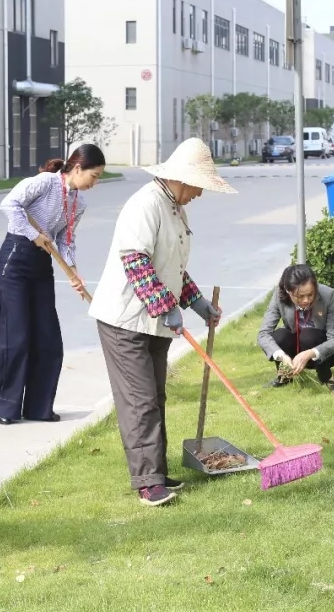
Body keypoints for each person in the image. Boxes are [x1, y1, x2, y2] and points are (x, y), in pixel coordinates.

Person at [88, 138, 235, 507]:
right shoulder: (146, 204)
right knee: (140, 401)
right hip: (124, 320)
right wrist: (164, 306)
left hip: (152, 321)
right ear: (183, 179)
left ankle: (156, 470)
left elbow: (170, 267)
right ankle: (147, 482)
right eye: (200, 186)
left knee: (155, 396)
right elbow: (136, 261)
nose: (200, 194)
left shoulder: (174, 207)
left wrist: (195, 301)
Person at [0, 144, 106, 425]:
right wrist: (33, 234)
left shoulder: (78, 203)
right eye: (95, 175)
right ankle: (7, 408)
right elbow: (9, 204)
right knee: (15, 336)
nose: (95, 182)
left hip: (42, 265)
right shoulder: (44, 183)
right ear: (77, 168)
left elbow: (66, 239)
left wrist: (74, 272)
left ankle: (38, 407)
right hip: (16, 260)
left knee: (48, 338)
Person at [256, 263, 334, 393]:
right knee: (279, 336)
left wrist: (309, 353)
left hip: (326, 352)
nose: (306, 300)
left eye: (311, 294)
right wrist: (282, 357)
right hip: (296, 349)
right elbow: (263, 335)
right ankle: (284, 375)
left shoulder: (329, 295)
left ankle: (327, 377)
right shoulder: (278, 296)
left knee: (308, 336)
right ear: (288, 291)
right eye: (300, 296)